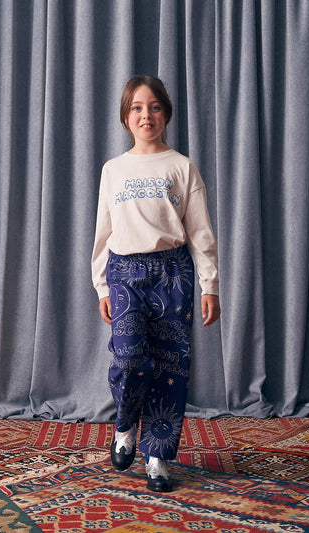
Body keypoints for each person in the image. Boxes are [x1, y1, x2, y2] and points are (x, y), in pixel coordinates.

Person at [91, 74, 221, 492]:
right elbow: (103, 231)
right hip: (125, 272)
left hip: (172, 273)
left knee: (170, 366)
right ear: (125, 116)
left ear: (166, 113)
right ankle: (125, 424)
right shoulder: (114, 170)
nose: (146, 115)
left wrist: (210, 285)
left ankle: (157, 457)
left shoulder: (182, 167)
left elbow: (200, 231)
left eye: (154, 107)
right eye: (137, 108)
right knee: (129, 358)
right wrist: (102, 286)